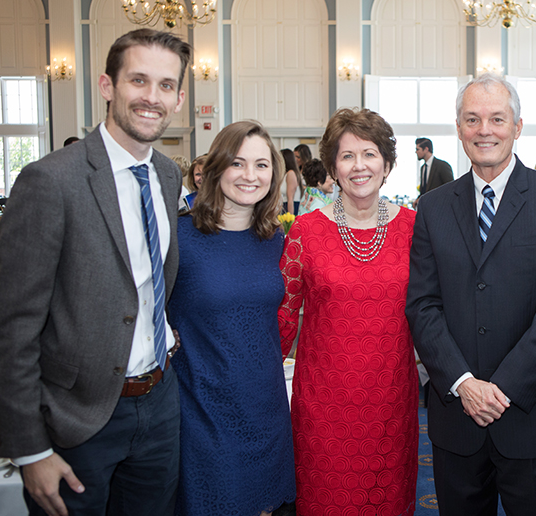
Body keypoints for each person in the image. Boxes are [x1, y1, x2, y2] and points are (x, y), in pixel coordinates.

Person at [0, 28, 189, 516]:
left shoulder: (168, 175)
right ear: (108, 86)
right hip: (76, 419)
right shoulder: (50, 181)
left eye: (166, 85)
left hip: (159, 405)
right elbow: (12, 327)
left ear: (180, 98)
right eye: (139, 80)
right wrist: (30, 448)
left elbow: (151, 289)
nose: (152, 97)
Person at [405, 73, 536, 515]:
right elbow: (422, 304)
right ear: (458, 127)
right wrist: (464, 384)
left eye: (496, 118)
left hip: (533, 417)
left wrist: (502, 389)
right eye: (472, 119)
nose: (484, 130)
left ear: (518, 126)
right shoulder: (432, 208)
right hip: (457, 418)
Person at [278, 108, 418, 516]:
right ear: (333, 167)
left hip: (391, 400)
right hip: (325, 404)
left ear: (387, 165)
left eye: (370, 154)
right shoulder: (306, 231)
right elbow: (283, 318)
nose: (360, 166)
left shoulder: (415, 228)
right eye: (347, 156)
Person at [168, 121, 295, 516]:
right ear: (217, 167)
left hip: (266, 404)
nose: (250, 176)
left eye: (261, 165)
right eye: (238, 163)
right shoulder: (180, 237)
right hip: (203, 409)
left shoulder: (275, 239)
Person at [415, 137, 454, 202]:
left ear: (426, 149)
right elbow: (424, 190)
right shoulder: (423, 168)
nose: (416, 152)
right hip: (426, 207)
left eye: (417, 149)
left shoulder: (442, 166)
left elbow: (450, 189)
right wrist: (418, 199)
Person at [280, 148, 303, 214]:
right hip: (285, 206)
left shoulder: (291, 173)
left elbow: (290, 199)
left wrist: (290, 219)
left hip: (290, 207)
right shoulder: (285, 174)